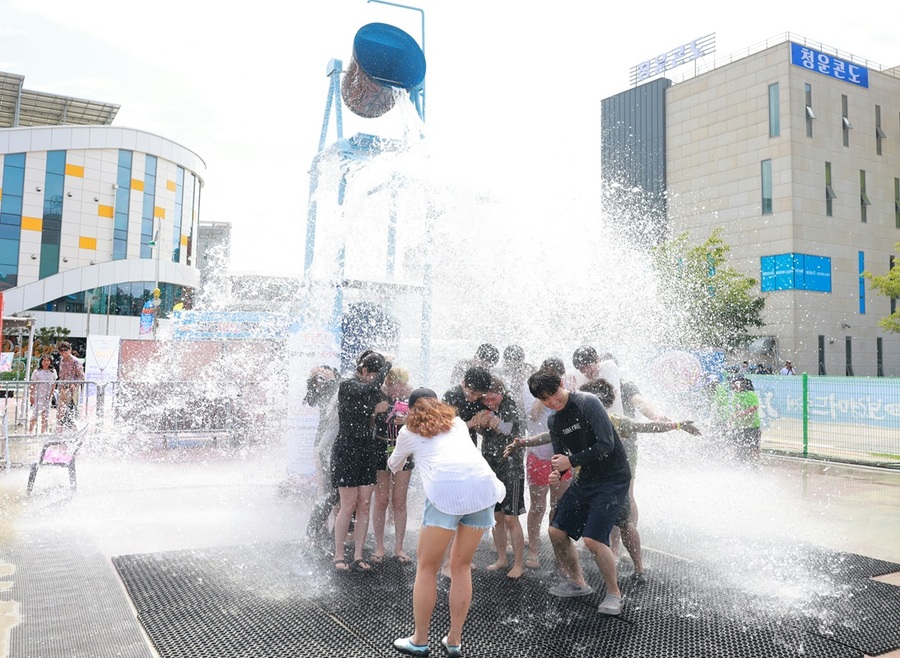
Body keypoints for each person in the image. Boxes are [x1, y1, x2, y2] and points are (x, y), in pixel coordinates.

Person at [389, 388, 505, 658]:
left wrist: (396, 458)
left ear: (410, 408)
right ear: (438, 403)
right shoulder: (456, 424)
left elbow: (395, 464)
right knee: (461, 566)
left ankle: (419, 641)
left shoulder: (408, 432)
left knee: (427, 568)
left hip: (445, 493)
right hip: (483, 489)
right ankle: (454, 641)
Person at [526, 369, 631, 616]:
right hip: (587, 478)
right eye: (545, 399)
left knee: (593, 539)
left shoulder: (587, 402)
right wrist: (558, 473)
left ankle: (615, 593)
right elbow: (561, 457)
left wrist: (569, 463)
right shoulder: (554, 421)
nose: (552, 401)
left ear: (561, 384)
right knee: (556, 530)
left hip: (613, 478)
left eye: (553, 393)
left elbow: (607, 445)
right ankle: (578, 582)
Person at [330, 350, 392, 571]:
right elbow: (367, 391)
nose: (377, 380)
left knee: (365, 503)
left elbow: (382, 405)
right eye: (374, 374)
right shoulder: (348, 385)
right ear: (364, 371)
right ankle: (339, 553)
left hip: (368, 448)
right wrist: (387, 366)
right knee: (348, 504)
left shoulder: (373, 389)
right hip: (347, 447)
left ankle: (358, 554)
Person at [519, 357, 573, 570]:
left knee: (557, 507)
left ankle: (559, 553)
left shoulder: (566, 387)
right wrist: (542, 397)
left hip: (562, 456)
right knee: (538, 505)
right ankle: (533, 549)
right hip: (539, 455)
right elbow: (532, 415)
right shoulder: (530, 387)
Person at [479, 377, 526, 579]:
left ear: (501, 394)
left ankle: (519, 564)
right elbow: (480, 426)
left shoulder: (510, 405)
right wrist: (485, 420)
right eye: (486, 399)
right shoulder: (481, 406)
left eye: (493, 398)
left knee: (510, 518)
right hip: (491, 466)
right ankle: (501, 558)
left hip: (512, 468)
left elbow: (509, 429)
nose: (490, 402)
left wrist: (494, 422)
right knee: (496, 517)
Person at [372, 367, 414, 564]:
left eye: (401, 388)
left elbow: (426, 422)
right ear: (387, 385)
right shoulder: (377, 394)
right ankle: (379, 546)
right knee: (381, 500)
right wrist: (375, 411)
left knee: (399, 501)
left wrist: (408, 419)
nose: (397, 392)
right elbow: (367, 420)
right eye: (394, 388)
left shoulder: (413, 397)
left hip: (403, 449)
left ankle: (399, 547)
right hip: (381, 447)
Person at [303, 365, 341, 543]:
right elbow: (310, 400)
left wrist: (332, 379)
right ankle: (322, 523)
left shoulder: (340, 387)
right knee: (323, 483)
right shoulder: (320, 389)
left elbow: (337, 392)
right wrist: (311, 380)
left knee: (337, 485)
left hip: (336, 438)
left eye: (327, 373)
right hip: (321, 439)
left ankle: (338, 522)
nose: (323, 377)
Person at [442, 366, 492, 445]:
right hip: (451, 444)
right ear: (463, 383)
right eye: (472, 393)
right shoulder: (452, 396)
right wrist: (472, 423)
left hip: (470, 443)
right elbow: (446, 428)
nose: (475, 398)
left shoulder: (481, 399)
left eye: (479, 395)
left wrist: (485, 417)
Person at [56, 341, 84, 431]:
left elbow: (81, 376)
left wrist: (74, 384)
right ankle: (61, 429)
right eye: (61, 350)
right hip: (63, 388)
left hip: (72, 389)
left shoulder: (75, 361)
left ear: (70, 350)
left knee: (72, 408)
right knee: (61, 409)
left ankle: (75, 428)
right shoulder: (62, 360)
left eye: (65, 350)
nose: (63, 352)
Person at [29, 355, 57, 433]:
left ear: (50, 362)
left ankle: (43, 431)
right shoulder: (37, 372)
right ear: (41, 362)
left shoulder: (53, 371)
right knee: (35, 414)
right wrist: (31, 396)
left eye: (48, 361)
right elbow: (32, 384)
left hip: (47, 396)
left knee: (45, 415)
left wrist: (51, 394)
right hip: (38, 395)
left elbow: (54, 383)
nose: (46, 362)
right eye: (44, 360)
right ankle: (30, 431)